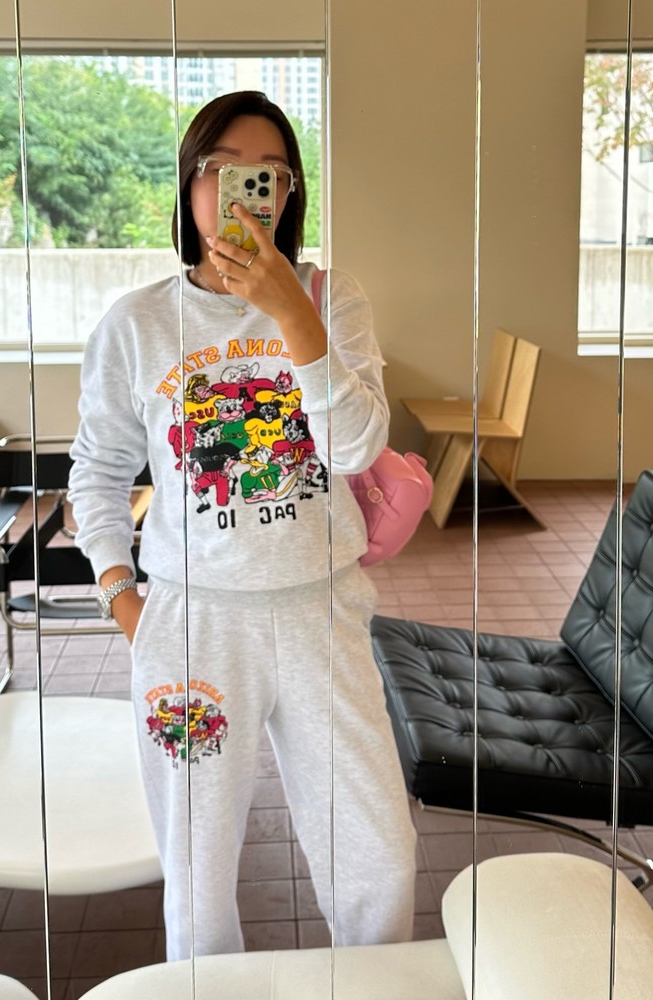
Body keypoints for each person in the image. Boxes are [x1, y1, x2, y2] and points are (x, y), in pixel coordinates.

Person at [68, 90, 417, 962]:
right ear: (190, 185)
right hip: (192, 625)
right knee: (196, 874)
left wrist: (293, 312)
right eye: (221, 170)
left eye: (268, 175)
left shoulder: (332, 298)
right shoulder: (137, 323)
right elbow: (97, 471)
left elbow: (356, 445)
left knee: (376, 858)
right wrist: (122, 595)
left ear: (289, 193)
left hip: (321, 611)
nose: (244, 190)